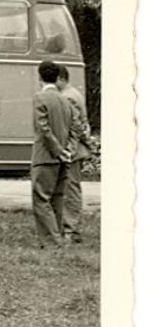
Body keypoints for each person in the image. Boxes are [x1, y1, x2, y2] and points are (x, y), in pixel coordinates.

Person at [31, 60, 75, 249]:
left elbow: (43, 129)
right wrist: (67, 151)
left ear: (39, 76)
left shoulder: (40, 98)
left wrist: (57, 150)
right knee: (57, 198)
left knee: (41, 198)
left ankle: (51, 242)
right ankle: (57, 238)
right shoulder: (65, 99)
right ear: (57, 77)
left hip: (45, 157)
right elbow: (75, 127)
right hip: (63, 157)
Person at [56, 64, 93, 243]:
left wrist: (68, 151)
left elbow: (76, 127)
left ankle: (71, 229)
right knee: (70, 188)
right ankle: (70, 228)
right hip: (74, 149)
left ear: (61, 79)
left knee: (71, 189)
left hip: (73, 151)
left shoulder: (68, 97)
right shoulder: (72, 94)